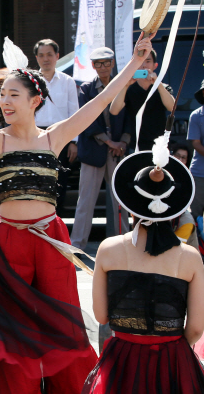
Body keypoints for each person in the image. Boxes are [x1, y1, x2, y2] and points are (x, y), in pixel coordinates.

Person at [0, 32, 155, 392]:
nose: (6, 101)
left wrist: (136, 62)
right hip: (8, 242)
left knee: (63, 326)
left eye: (14, 94)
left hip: (51, 240)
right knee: (12, 330)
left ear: (36, 100)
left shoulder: (54, 137)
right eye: (3, 95)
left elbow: (104, 99)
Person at [82, 148, 204, 393]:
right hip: (174, 361)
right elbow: (196, 328)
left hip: (123, 360)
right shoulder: (190, 257)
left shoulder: (108, 249)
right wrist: (175, 351)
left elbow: (102, 317)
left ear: (130, 202)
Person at [71, 47, 131, 250]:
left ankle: (124, 244)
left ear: (113, 64)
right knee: (85, 201)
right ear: (93, 66)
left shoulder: (123, 84)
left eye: (106, 63)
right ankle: (77, 246)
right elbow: (85, 119)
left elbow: (130, 116)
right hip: (94, 149)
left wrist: (123, 141)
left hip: (118, 151)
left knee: (121, 201)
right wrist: (108, 141)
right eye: (98, 63)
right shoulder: (86, 89)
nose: (103, 67)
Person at [33, 39, 79, 215]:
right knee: (37, 180)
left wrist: (74, 141)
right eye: (41, 55)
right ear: (36, 58)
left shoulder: (67, 81)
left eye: (49, 55)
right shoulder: (29, 81)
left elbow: (74, 112)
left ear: (57, 56)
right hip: (36, 136)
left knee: (59, 180)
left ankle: (55, 220)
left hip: (61, 136)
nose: (46, 59)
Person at [110, 49, 175, 151]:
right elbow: (114, 110)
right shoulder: (129, 89)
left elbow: (172, 107)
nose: (144, 65)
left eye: (148, 61)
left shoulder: (163, 88)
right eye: (140, 62)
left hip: (159, 147)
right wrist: (125, 85)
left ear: (155, 66)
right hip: (135, 147)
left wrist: (158, 84)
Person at [188, 82, 204, 219]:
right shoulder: (196, 115)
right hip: (200, 174)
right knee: (195, 216)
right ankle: (195, 241)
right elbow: (196, 143)